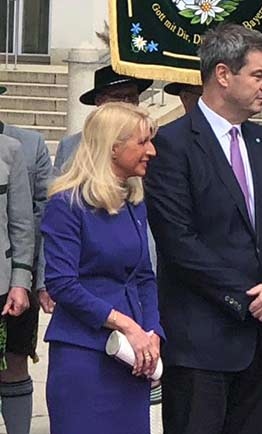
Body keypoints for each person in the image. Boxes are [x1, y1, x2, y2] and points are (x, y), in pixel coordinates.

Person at [144, 24, 262, 434]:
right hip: (202, 345)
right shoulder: (171, 145)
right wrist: (249, 298)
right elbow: (178, 242)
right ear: (222, 75)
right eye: (259, 75)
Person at [41, 102, 163, 434]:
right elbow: (62, 284)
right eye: (142, 142)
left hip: (130, 358)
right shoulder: (66, 204)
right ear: (113, 147)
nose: (151, 150)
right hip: (85, 355)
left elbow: (144, 277)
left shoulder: (133, 202)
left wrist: (152, 333)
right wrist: (126, 325)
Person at [0, 83, 53, 434]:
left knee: (14, 364)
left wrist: (23, 281)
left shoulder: (13, 150)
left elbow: (24, 224)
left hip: (5, 283)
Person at [53, 65, 152, 172]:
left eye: (132, 97)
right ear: (99, 101)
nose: (127, 103)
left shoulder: (151, 145)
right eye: (118, 97)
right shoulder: (70, 145)